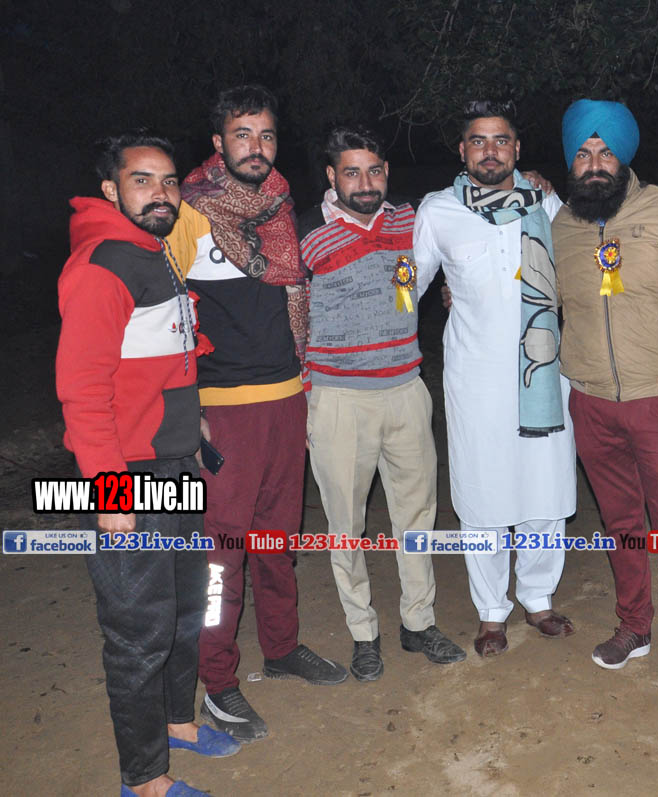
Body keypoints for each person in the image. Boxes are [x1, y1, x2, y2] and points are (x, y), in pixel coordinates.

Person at [58, 132, 240, 797]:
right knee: (139, 632)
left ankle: (178, 722)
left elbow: (163, 356)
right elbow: (82, 388)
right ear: (111, 189)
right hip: (128, 476)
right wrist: (108, 491)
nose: (161, 193)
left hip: (174, 466)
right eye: (142, 180)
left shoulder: (150, 252)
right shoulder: (102, 265)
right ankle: (144, 778)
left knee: (186, 609)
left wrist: (191, 423)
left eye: (168, 181)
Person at [184, 85, 346, 743]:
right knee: (221, 555)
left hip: (286, 398)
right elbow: (162, 318)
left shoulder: (281, 210)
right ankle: (217, 681)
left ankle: (281, 647)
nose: (257, 147)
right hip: (223, 412)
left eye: (267, 135)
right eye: (242, 134)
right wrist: (182, 408)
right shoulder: (188, 216)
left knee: (278, 542)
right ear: (218, 143)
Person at [552, 99, 658, 702]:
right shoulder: (560, 225)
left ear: (624, 156)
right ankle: (634, 626)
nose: (595, 163)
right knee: (621, 524)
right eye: (583, 154)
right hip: (590, 400)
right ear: (571, 163)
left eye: (605, 152)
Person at [296, 125, 466, 681]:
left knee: (417, 516)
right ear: (332, 176)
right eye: (351, 172)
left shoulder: (409, 221)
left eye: (374, 171)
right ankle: (363, 632)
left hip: (406, 390)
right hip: (339, 398)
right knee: (346, 523)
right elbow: (287, 315)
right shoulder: (304, 233)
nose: (364, 183)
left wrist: (534, 181)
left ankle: (418, 623)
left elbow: (468, 213)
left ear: (386, 172)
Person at [413, 99, 576, 658]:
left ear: (517, 148)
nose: (490, 151)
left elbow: (583, 268)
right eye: (478, 141)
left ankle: (539, 598)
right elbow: (407, 288)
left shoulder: (547, 203)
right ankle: (490, 610)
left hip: (545, 379)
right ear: (462, 151)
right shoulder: (438, 210)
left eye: (501, 140)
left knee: (544, 492)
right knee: (483, 495)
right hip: (476, 382)